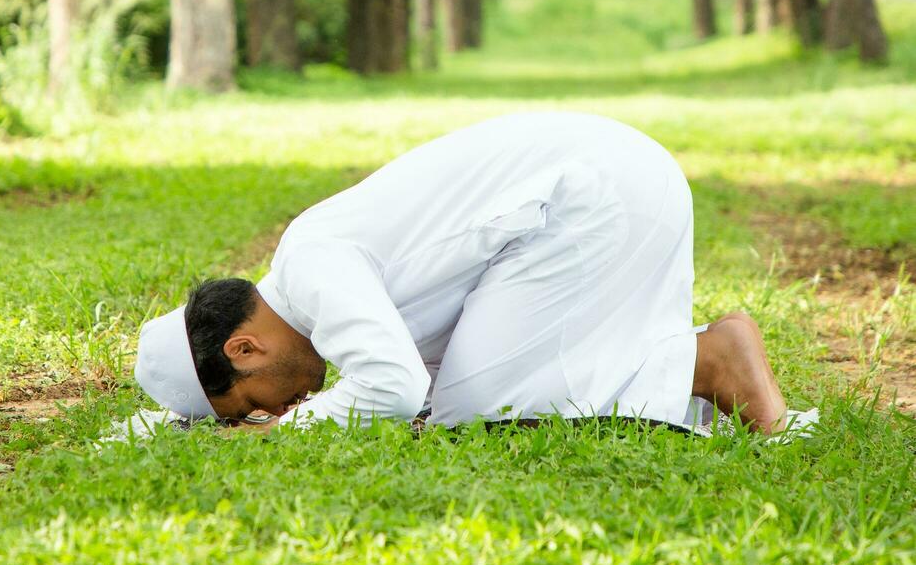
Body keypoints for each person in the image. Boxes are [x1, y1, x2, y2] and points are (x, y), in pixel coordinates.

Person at [134, 112, 793, 434]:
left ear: (244, 347)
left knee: (474, 411)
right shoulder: (310, 270)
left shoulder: (308, 266)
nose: (274, 409)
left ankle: (711, 361)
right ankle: (699, 366)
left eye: (250, 401)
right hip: (613, 186)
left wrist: (280, 436)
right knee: (453, 400)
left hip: (596, 194)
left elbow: (391, 389)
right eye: (260, 414)